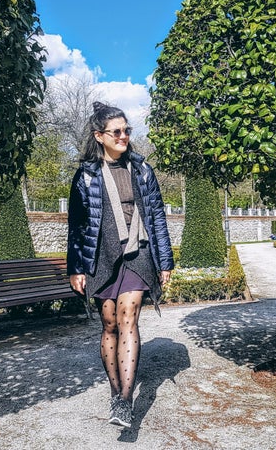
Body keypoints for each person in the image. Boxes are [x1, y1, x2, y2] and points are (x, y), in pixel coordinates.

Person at [67, 101, 174, 428]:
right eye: (116, 132)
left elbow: (157, 217)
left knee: (129, 316)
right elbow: (77, 226)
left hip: (138, 252)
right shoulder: (86, 176)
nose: (123, 136)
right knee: (110, 322)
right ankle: (116, 394)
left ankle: (126, 401)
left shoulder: (142, 171)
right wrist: (75, 268)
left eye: (127, 130)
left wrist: (165, 261)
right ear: (99, 136)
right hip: (102, 257)